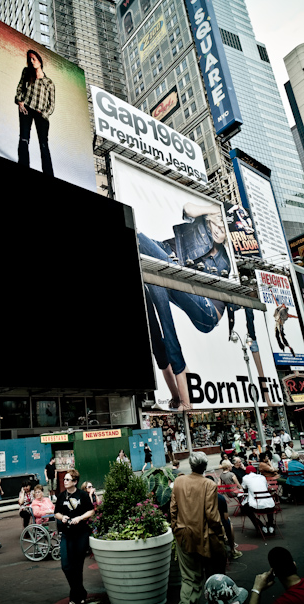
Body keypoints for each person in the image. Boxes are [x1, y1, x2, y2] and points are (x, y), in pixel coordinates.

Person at [139, 202, 236, 412]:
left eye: (225, 228)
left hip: (208, 312)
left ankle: (183, 392)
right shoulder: (197, 231)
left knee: (159, 273)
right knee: (151, 275)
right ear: (208, 220)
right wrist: (215, 210)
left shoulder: (225, 262)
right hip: (180, 282)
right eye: (217, 224)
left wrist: (222, 216)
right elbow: (189, 209)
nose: (220, 230)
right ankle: (178, 396)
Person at [171, 451, 226, 603]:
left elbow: (173, 509)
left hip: (184, 535)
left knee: (189, 578)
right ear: (205, 466)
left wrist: (176, 528)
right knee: (214, 575)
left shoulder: (179, 481)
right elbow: (212, 515)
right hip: (206, 536)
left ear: (190, 464)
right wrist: (221, 534)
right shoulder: (209, 484)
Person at [54, 469, 95, 604]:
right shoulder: (61, 496)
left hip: (81, 534)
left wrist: (80, 518)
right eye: (64, 479)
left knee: (77, 566)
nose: (65, 481)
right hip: (66, 533)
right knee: (66, 565)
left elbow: (91, 511)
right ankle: (80, 591)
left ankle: (76, 596)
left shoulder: (82, 495)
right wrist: (63, 517)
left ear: (75, 482)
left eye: (68, 479)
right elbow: (56, 513)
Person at [15, 49, 55, 176]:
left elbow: (51, 104)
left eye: (34, 59)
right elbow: (20, 87)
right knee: (24, 139)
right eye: (30, 59)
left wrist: (43, 114)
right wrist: (20, 101)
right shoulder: (27, 72)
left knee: (43, 145)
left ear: (40, 60)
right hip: (26, 109)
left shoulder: (49, 82)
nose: (32, 61)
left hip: (40, 113)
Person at [205, 476, 242, 560]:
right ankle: (232, 549)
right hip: (219, 523)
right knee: (229, 524)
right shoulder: (220, 497)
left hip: (205, 523)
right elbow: (226, 516)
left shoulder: (200, 497)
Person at [241, 465, 275, 535]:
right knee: (268, 504)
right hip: (270, 504)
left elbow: (244, 487)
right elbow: (266, 487)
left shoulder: (245, 478)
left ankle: (260, 525)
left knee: (245, 508)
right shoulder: (262, 477)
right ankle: (271, 525)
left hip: (256, 506)